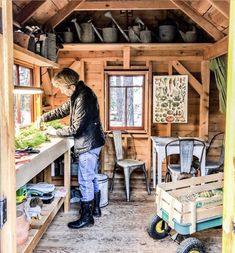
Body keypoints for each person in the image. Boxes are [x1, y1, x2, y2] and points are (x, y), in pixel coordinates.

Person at [40, 68, 105, 229]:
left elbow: (76, 128)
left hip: (88, 143)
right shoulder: (79, 93)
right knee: (91, 176)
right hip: (93, 140)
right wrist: (44, 117)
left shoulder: (83, 97)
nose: (61, 91)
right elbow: (63, 110)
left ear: (70, 86)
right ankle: (95, 209)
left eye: (62, 88)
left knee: (85, 180)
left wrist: (54, 132)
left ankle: (86, 217)